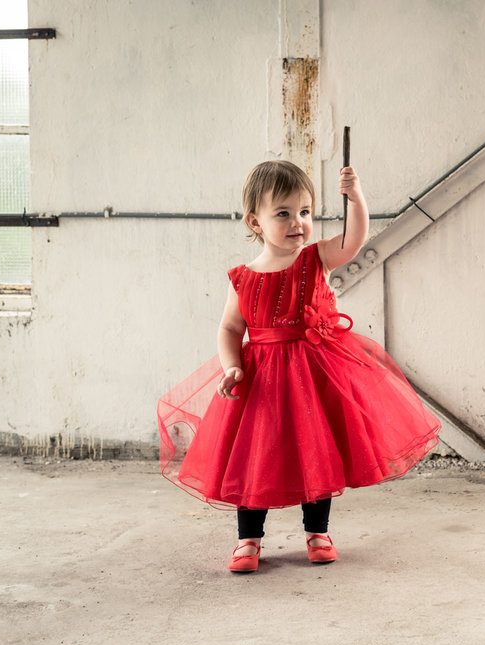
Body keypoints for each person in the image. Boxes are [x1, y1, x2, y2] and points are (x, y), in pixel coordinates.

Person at [158, 160, 440, 573]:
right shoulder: (245, 277)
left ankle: (317, 532)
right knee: (254, 459)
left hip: (314, 375)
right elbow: (229, 328)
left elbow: (354, 240)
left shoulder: (316, 259)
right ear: (255, 221)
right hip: (262, 383)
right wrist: (232, 367)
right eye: (284, 213)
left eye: (305, 212)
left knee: (317, 452)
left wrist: (355, 196)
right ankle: (248, 539)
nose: (298, 223)